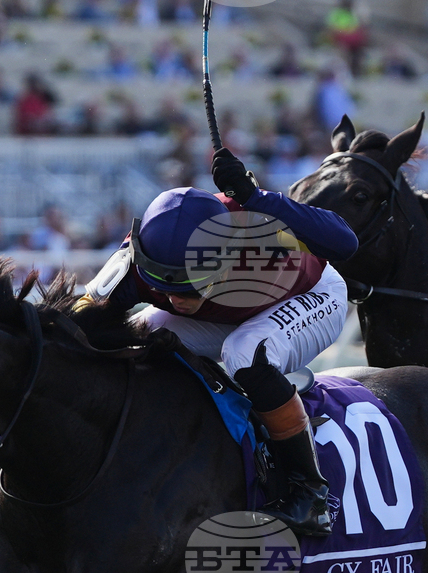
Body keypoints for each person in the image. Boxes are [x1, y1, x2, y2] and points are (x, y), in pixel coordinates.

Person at [76, 148, 358, 535]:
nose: (176, 300)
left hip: (312, 295)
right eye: (165, 287)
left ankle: (310, 494)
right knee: (142, 337)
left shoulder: (257, 228)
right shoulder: (134, 261)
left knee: (243, 352)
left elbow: (345, 242)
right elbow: (77, 324)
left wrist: (259, 199)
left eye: (191, 287)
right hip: (231, 313)